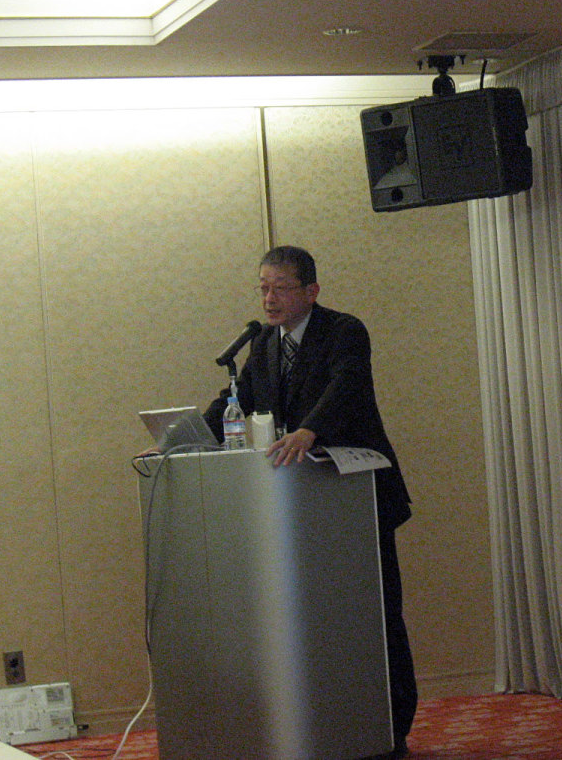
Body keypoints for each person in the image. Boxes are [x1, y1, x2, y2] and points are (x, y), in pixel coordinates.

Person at [204, 245, 417, 758]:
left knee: (376, 614)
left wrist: (309, 429)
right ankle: (331, 727)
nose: (269, 299)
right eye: (263, 288)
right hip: (303, 506)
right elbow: (236, 399)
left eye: (280, 288)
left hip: (358, 498)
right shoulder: (265, 344)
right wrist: (180, 439)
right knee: (319, 621)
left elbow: (347, 388)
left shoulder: (344, 331)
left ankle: (392, 729)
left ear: (311, 291)